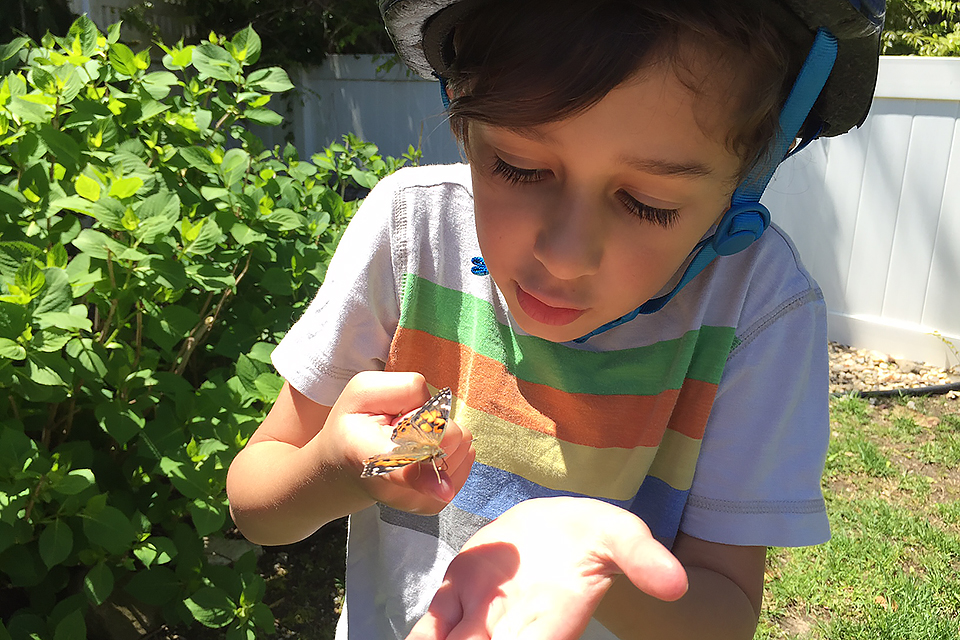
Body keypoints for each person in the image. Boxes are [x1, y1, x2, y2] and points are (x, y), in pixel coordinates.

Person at [226, 0, 885, 638]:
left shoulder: (755, 308)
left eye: (648, 204)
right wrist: (341, 471)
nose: (566, 257)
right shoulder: (411, 236)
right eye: (517, 167)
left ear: (742, 188)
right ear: (462, 118)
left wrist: (603, 566)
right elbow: (257, 504)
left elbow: (725, 615)